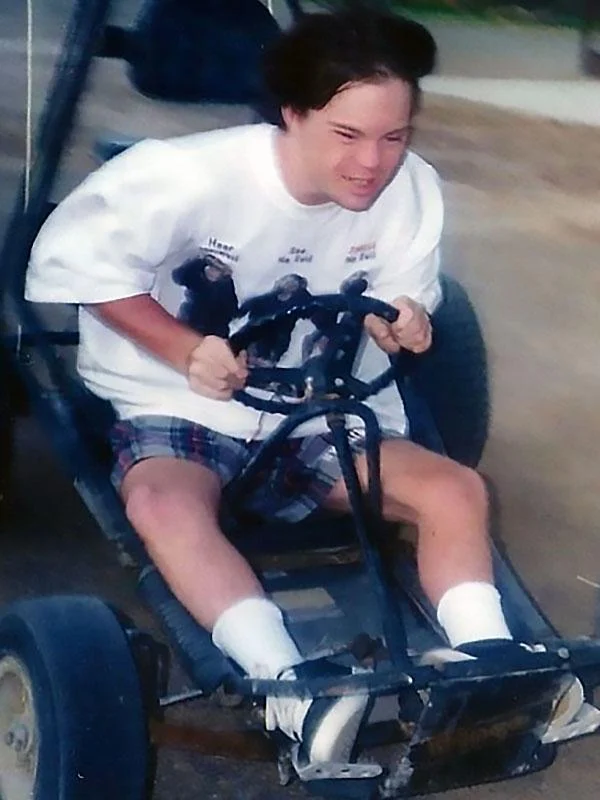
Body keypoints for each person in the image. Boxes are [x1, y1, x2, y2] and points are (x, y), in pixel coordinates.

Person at [25, 6, 520, 769]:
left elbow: (403, 292)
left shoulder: (410, 190)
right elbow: (74, 266)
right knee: (161, 502)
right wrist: (183, 347)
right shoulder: (185, 176)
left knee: (456, 489)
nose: (372, 163)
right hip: (183, 404)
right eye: (347, 135)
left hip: (319, 409)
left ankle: (490, 665)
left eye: (394, 137)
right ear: (292, 113)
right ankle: (290, 686)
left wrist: (403, 322)